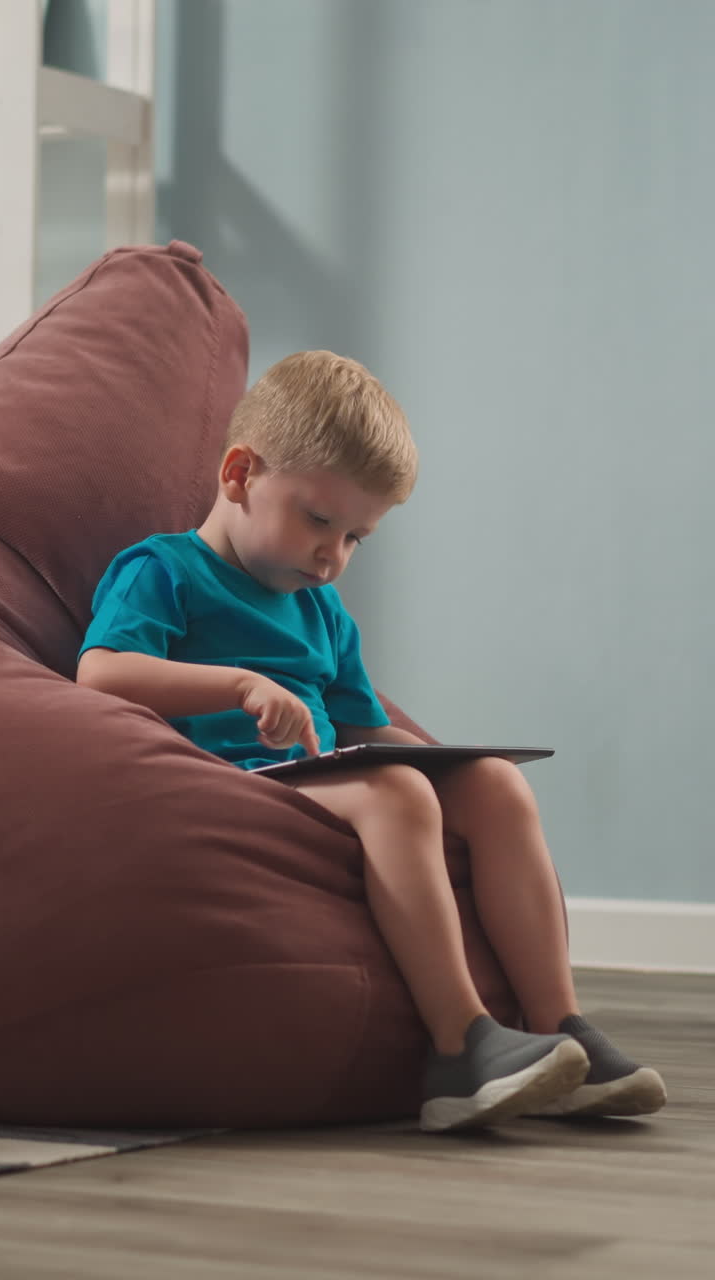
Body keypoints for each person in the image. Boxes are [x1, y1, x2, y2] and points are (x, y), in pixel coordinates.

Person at [77, 350, 666, 1132]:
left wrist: (450, 760)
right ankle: (461, 1046)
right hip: (226, 785)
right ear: (239, 474)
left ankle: (560, 1028)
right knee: (396, 791)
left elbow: (363, 726)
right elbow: (100, 675)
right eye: (320, 520)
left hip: (322, 777)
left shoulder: (323, 614)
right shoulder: (164, 571)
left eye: (358, 537)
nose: (334, 555)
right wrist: (239, 686)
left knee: (491, 783)